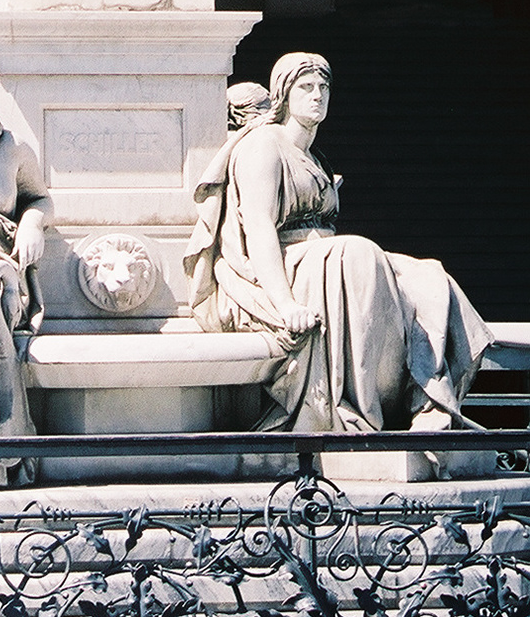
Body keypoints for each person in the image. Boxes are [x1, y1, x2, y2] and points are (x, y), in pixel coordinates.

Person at [185, 53, 491, 438]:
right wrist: (285, 304)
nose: (317, 96)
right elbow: (260, 228)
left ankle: (428, 402)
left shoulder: (314, 156)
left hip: (324, 260)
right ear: (284, 94)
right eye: (306, 88)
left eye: (323, 88)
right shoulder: (263, 145)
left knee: (426, 275)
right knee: (358, 253)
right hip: (283, 265)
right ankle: (361, 411)